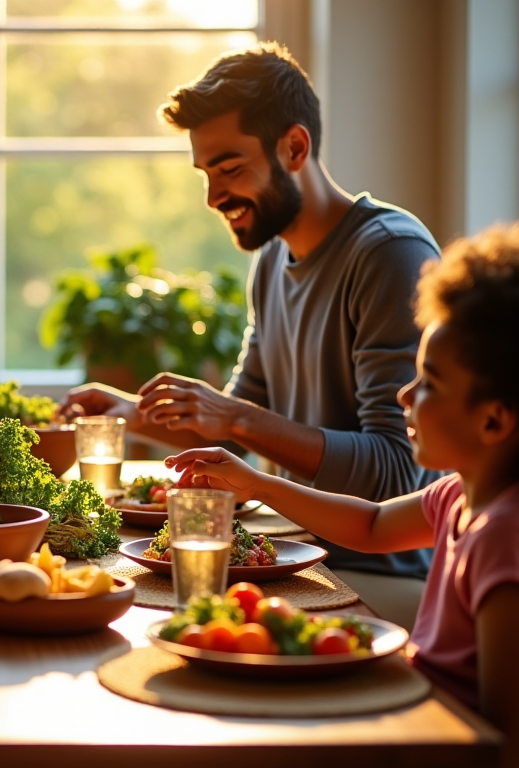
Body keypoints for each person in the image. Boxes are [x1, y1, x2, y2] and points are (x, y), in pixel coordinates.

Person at [167, 224, 519, 768]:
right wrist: (259, 484)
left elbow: (512, 744)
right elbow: (371, 525)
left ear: (494, 420)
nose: (404, 394)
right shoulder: (463, 497)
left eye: (430, 383)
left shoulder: (512, 538)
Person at [61, 42, 438, 619]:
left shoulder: (387, 253)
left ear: (294, 147)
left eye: (231, 168)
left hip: (371, 575)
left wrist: (232, 416)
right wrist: (127, 412)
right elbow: (241, 424)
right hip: (290, 553)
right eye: (206, 173)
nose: (214, 197)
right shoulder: (271, 261)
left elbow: (394, 474)